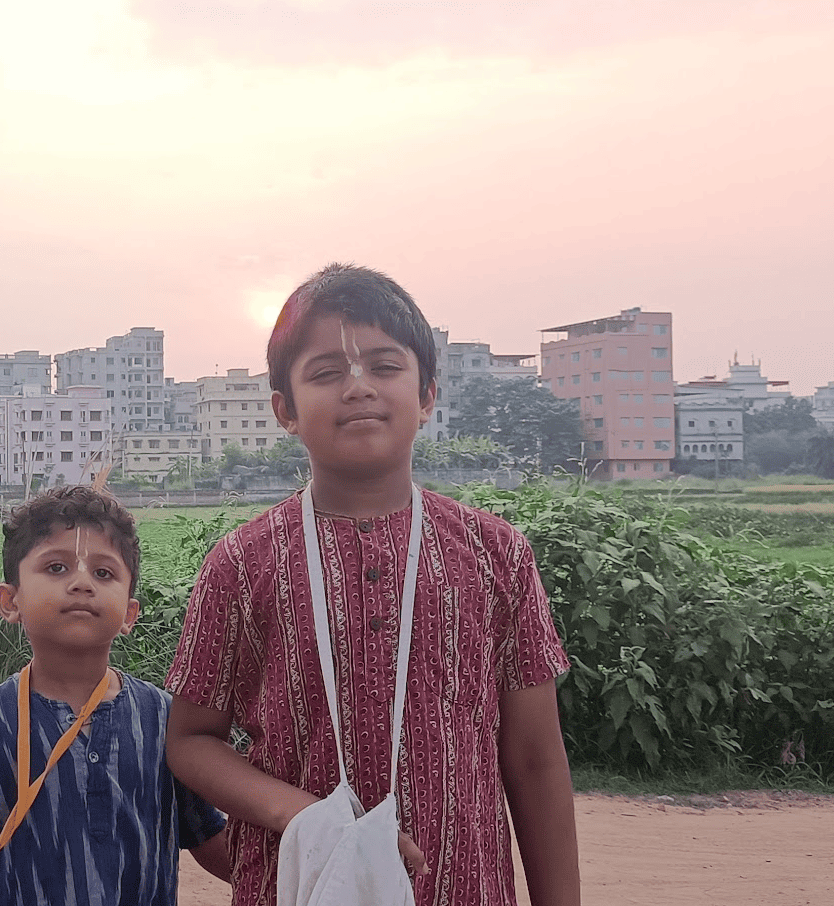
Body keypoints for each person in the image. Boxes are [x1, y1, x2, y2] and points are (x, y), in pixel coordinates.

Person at [165, 263, 580, 906]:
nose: (358, 388)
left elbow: (535, 759)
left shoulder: (496, 555)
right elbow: (191, 739)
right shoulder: (241, 564)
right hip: (297, 888)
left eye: (384, 367)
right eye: (326, 373)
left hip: (461, 888)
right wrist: (304, 815)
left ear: (427, 395)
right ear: (284, 409)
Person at [0, 486, 229, 906]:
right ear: (10, 601)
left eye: (103, 573)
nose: (82, 582)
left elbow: (210, 838)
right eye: (56, 567)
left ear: (130, 613)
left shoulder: (164, 719)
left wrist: (306, 865)